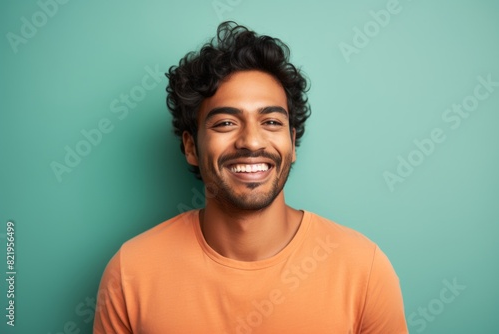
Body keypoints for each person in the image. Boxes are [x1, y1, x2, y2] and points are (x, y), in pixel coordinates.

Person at [93, 21, 408, 333]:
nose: (252, 141)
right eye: (226, 123)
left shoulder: (364, 269)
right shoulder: (131, 272)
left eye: (271, 121)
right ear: (191, 147)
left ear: (292, 142)